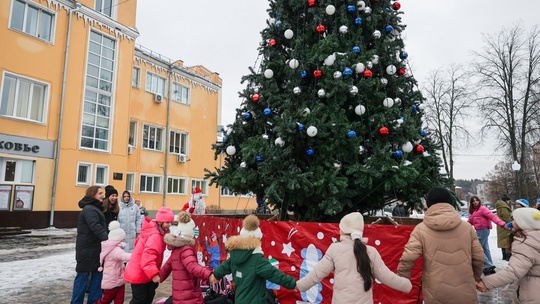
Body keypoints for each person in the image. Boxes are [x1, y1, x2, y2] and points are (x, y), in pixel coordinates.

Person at [296, 212, 412, 303]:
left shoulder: (335, 250)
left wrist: (298, 286)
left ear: (343, 230)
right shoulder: (371, 252)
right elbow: (387, 277)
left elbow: (317, 274)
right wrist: (406, 285)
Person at [398, 186, 485, 304]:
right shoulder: (467, 228)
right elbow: (479, 257)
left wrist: (403, 279)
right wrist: (476, 278)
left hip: (435, 291)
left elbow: (408, 258)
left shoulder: (420, 229)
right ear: (450, 202)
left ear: (428, 204)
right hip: (465, 290)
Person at [209, 215, 296, 303]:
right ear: (257, 240)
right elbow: (274, 274)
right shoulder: (257, 259)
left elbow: (215, 276)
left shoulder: (234, 258)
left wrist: (212, 275)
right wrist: (293, 284)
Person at [476, 207, 540, 303]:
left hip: (532, 293)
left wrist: (486, 283)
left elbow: (513, 272)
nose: (512, 222)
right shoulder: (536, 238)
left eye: (515, 220)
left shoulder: (525, 243)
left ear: (524, 223)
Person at [123, 206, 174, 304]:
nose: (170, 225)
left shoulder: (155, 231)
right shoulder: (155, 236)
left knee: (146, 298)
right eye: (167, 222)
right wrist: (154, 274)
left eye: (171, 222)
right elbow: (148, 258)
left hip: (144, 273)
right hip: (141, 274)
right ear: (160, 222)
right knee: (140, 300)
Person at [159, 212, 213, 304]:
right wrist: (209, 274)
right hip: (189, 295)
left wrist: (158, 277)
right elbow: (193, 266)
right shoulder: (186, 249)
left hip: (179, 295)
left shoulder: (176, 249)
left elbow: (167, 267)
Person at [70, 185, 109, 304]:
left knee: (97, 277)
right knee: (82, 278)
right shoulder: (90, 209)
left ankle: (94, 301)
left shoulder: (94, 208)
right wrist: (109, 239)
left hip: (94, 249)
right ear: (93, 195)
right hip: (87, 250)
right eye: (100, 193)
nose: (103, 196)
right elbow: (95, 227)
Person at [468, 195, 510, 275]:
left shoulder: (483, 209)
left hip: (483, 231)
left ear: (479, 201)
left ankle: (487, 265)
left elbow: (493, 217)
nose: (475, 202)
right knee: (485, 248)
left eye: (476, 200)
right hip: (480, 231)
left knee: (477, 249)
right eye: (473, 201)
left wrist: (502, 224)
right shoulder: (474, 211)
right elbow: (469, 222)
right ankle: (490, 266)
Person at [96, 221, 132, 304]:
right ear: (118, 238)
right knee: (106, 300)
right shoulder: (115, 250)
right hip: (112, 280)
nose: (124, 239)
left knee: (119, 300)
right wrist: (136, 256)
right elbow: (123, 256)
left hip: (119, 279)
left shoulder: (115, 247)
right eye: (123, 238)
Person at [495, 194, 513, 261]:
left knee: (502, 240)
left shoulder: (499, 206)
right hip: (506, 225)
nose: (509, 202)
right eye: (508, 200)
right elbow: (506, 217)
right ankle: (508, 256)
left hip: (500, 225)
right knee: (506, 240)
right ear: (506, 201)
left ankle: (504, 256)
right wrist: (511, 222)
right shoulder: (504, 207)